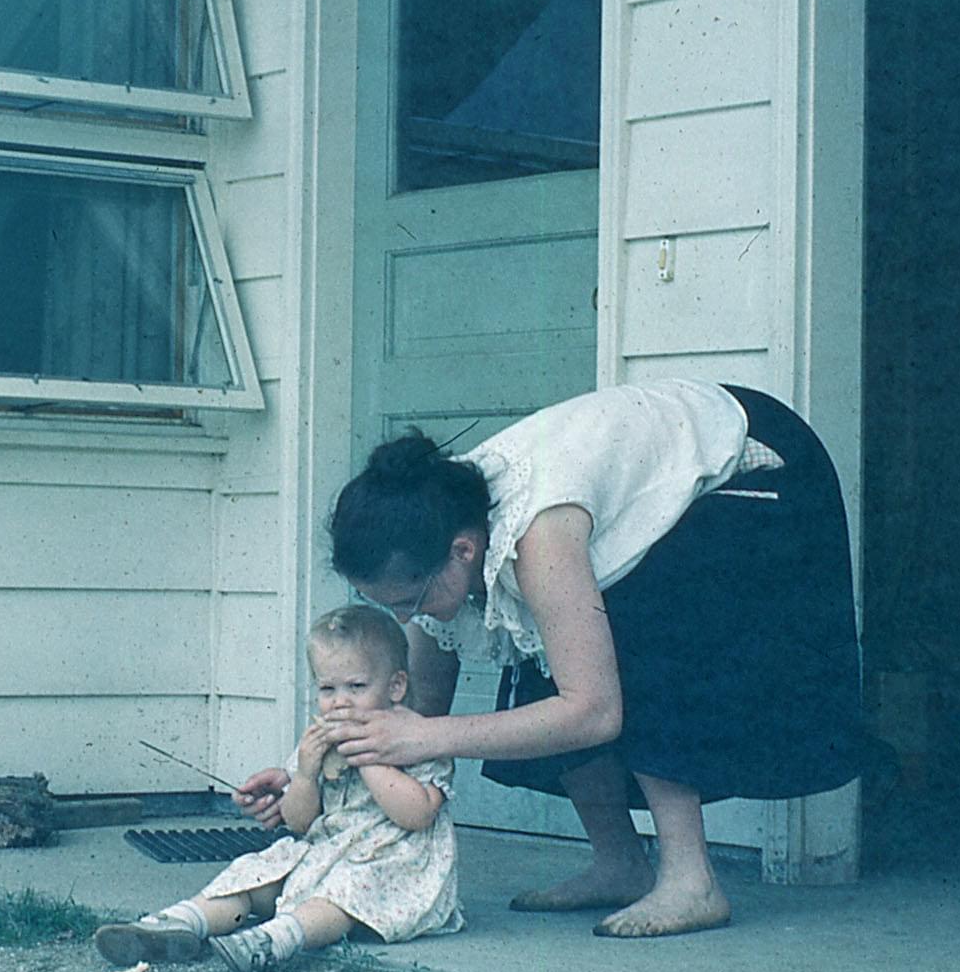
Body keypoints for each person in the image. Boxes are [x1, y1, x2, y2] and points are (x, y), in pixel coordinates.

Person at [260, 379, 865, 939]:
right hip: (672, 468)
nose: (403, 620)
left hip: (761, 463)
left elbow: (594, 712)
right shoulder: (438, 528)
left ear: (462, 552)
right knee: (551, 642)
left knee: (630, 630)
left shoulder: (536, 535)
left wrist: (424, 738)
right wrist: (313, 771)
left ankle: (691, 880)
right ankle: (619, 863)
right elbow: (416, 705)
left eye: (409, 603)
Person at [94, 605, 462, 972]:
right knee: (256, 871)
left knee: (342, 892)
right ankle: (180, 924)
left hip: (392, 867)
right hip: (325, 852)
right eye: (328, 689)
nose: (340, 702)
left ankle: (271, 942)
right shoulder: (320, 742)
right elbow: (300, 821)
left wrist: (368, 757)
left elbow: (418, 815)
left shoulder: (417, 738)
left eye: (356, 687)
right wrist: (305, 775)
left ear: (396, 686)